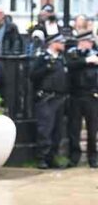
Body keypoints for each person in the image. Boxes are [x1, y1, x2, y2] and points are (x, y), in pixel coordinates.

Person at [31, 34, 69, 169]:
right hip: (46, 98)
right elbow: (33, 76)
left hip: (59, 98)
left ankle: (52, 157)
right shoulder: (42, 58)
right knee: (45, 129)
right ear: (53, 43)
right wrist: (47, 67)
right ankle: (42, 157)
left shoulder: (61, 59)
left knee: (57, 131)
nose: (63, 45)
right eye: (61, 42)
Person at [67, 31, 98, 168]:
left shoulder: (95, 54)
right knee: (74, 128)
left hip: (91, 95)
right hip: (76, 95)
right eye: (88, 41)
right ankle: (74, 156)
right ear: (81, 42)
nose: (90, 43)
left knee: (92, 128)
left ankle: (93, 156)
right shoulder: (73, 54)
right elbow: (70, 66)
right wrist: (86, 61)